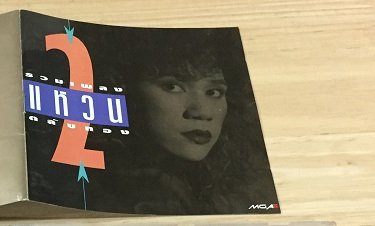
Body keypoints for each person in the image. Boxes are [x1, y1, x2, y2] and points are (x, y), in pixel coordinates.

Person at [90, 28, 277, 215]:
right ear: (125, 88)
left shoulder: (237, 184)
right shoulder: (114, 191)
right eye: (172, 87)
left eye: (213, 92)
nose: (202, 112)